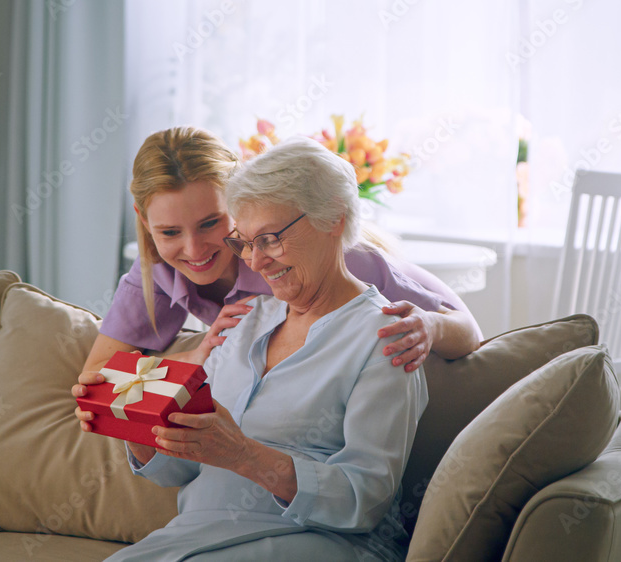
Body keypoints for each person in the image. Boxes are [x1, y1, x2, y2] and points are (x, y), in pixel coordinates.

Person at [102, 136, 428, 561]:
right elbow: (185, 468)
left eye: (270, 239)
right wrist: (137, 430)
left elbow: (364, 500)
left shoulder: (387, 338)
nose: (255, 262)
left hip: (321, 543)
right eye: (246, 243)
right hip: (197, 536)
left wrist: (244, 455)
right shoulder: (243, 319)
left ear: (334, 218)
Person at [71, 127, 480, 414]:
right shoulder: (157, 275)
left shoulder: (332, 258)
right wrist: (197, 356)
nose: (194, 250)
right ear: (144, 221)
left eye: (212, 223)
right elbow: (96, 380)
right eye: (170, 231)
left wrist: (429, 326)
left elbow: (468, 332)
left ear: (239, 199)